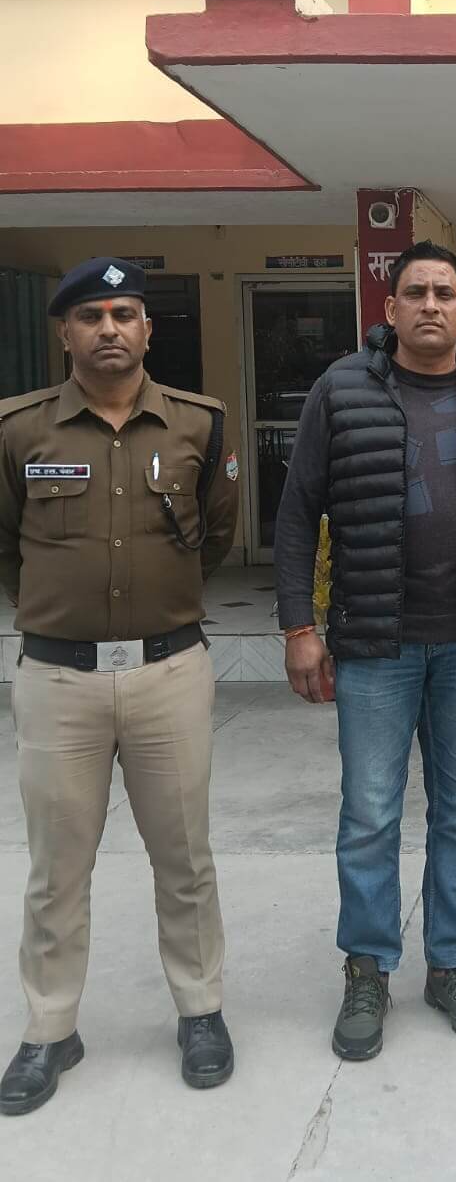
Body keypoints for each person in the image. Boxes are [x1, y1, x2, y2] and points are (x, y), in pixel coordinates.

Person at [274, 240, 456, 1059]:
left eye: (444, 293)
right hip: (374, 647)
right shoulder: (341, 390)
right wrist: (298, 627)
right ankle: (367, 967)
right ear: (389, 309)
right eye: (415, 291)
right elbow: (296, 513)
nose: (430, 304)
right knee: (370, 814)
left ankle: (451, 963)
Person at [0, 258, 239, 1116]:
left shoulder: (200, 423)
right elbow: (6, 545)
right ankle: (50, 1026)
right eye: (92, 314)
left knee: (184, 857)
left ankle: (200, 1009)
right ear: (64, 332)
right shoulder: (18, 429)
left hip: (167, 672)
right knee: (56, 866)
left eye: (125, 312)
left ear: (147, 328)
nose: (110, 327)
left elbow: (216, 536)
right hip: (57, 680)